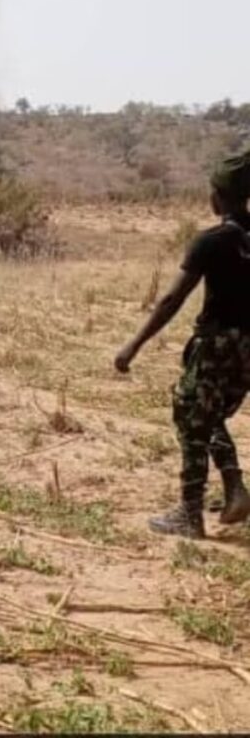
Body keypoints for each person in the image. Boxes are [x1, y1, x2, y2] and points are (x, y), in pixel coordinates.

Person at [115, 149, 250, 539]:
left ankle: (190, 514)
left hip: (218, 345)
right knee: (209, 415)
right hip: (248, 350)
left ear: (219, 197)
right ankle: (235, 487)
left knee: (189, 413)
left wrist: (133, 345)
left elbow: (171, 300)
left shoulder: (212, 241)